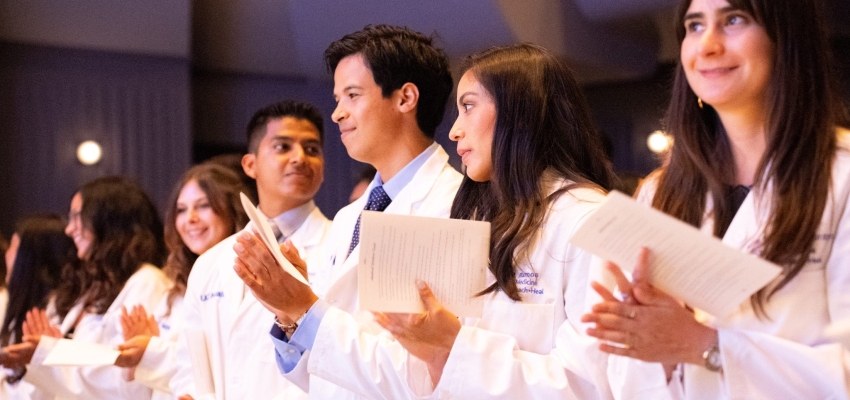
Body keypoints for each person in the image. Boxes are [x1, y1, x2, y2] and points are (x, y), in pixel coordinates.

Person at [236, 42, 619, 399]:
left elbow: (593, 383)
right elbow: (419, 370)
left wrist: (449, 347)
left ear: (522, 111)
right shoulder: (502, 218)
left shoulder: (588, 219)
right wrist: (294, 314)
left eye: (468, 107)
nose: (454, 130)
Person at [581, 0, 850, 398]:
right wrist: (650, 336)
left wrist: (703, 345)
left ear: (786, 38)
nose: (706, 45)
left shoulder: (839, 176)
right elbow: (622, 377)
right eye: (694, 25)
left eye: (734, 20)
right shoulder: (661, 193)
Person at [231, 24, 462, 399]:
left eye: (352, 95)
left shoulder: (455, 207)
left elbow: (427, 373)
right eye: (338, 98)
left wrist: (304, 308)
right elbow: (323, 371)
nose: (337, 114)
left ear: (405, 98)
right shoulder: (349, 217)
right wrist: (290, 316)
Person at [170, 100, 332, 400]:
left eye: (312, 149)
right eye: (283, 147)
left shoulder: (339, 247)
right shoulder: (210, 262)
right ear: (250, 165)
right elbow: (188, 363)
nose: (300, 158)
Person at [2, 176, 171, 399]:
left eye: (77, 217)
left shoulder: (147, 282)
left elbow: (128, 383)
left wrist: (51, 354)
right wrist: (44, 354)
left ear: (108, 222)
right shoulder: (88, 289)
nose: (69, 230)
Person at [113, 163, 248, 400]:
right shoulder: (170, 290)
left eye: (203, 206)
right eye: (182, 210)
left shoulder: (247, 283)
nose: (191, 219)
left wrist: (153, 352)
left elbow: (234, 367)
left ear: (232, 211)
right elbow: (137, 395)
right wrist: (136, 362)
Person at [0, 214, 80, 399]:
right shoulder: (22, 307)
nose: (7, 254)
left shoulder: (58, 314)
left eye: (14, 246)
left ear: (32, 260)